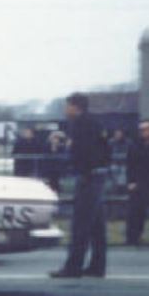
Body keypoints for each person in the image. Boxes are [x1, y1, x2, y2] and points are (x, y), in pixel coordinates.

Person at [51, 95, 110, 279]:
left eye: (67, 106)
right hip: (98, 175)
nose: (65, 109)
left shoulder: (79, 125)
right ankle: (97, 266)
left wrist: (61, 148)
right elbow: (104, 149)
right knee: (97, 226)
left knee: (81, 224)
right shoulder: (95, 123)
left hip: (88, 177)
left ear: (75, 107)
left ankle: (73, 267)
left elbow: (79, 152)